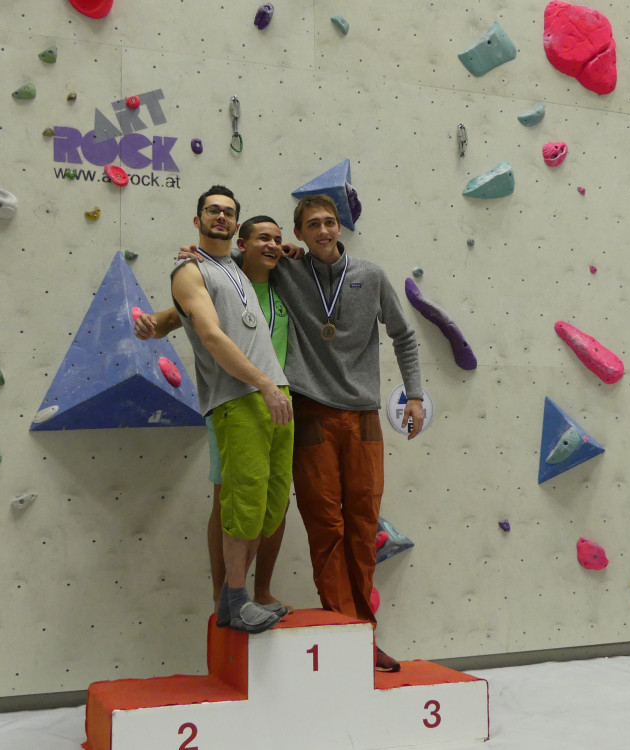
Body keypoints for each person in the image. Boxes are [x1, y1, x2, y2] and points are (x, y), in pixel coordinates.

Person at [272, 193, 425, 672]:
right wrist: (196, 254)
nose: (323, 230)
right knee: (326, 527)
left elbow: (404, 335)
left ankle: (363, 633)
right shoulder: (286, 270)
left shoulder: (370, 276)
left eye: (329, 222)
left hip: (363, 417)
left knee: (363, 525)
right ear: (298, 233)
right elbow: (239, 260)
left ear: (340, 227)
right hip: (312, 414)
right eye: (312, 225)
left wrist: (415, 395)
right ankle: (345, 630)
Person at [135, 215, 293, 615]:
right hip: (234, 399)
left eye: (278, 240)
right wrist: (153, 323)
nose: (272, 245)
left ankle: (250, 596)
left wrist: (296, 251)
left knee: (270, 502)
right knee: (232, 497)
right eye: (263, 239)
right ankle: (226, 596)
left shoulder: (286, 283)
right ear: (241, 244)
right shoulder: (212, 276)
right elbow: (177, 316)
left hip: (279, 401)